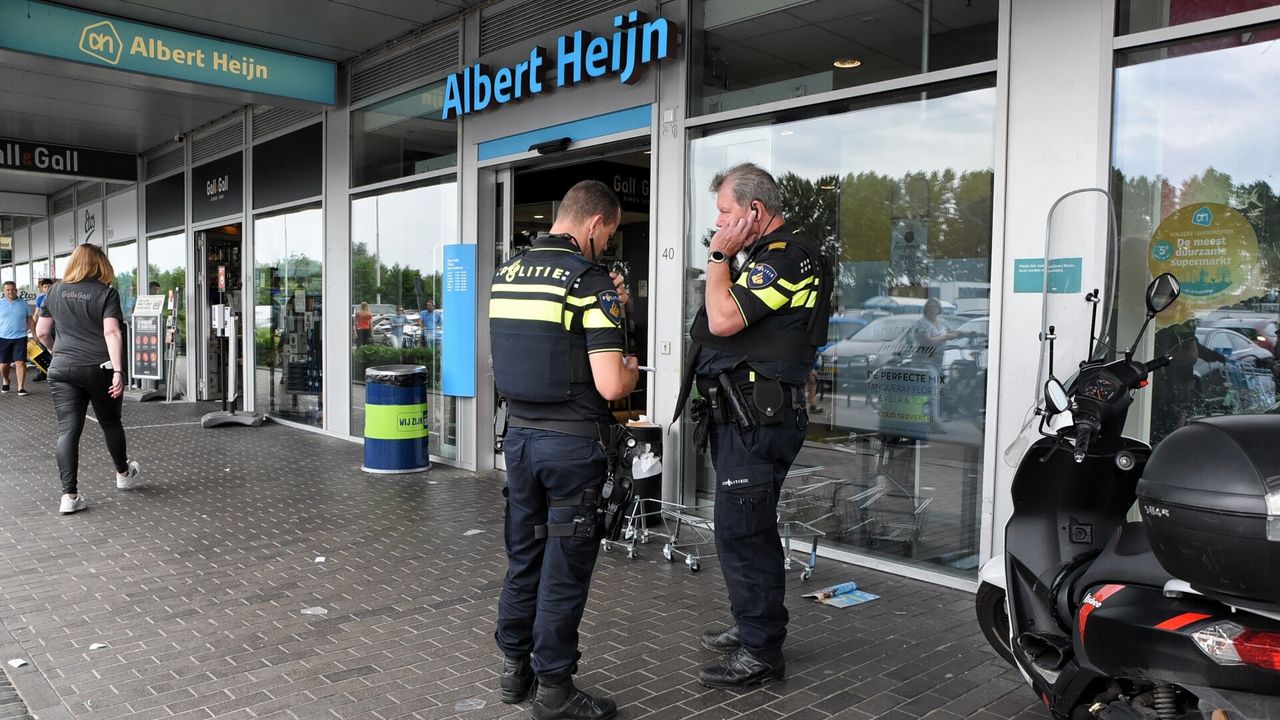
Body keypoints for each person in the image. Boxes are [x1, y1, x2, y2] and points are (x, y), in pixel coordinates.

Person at [676, 163, 830, 688]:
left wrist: (719, 256)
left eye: (724, 212)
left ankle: (762, 650)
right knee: (746, 530)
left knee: (743, 532)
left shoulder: (787, 257)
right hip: (743, 418)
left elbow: (722, 320)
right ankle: (753, 627)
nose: (718, 224)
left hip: (758, 421)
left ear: (755, 211)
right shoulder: (763, 258)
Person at [489, 180, 638, 720]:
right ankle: (554, 689)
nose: (609, 246)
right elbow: (611, 385)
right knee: (563, 567)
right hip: (573, 450)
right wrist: (629, 361)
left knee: (523, 556)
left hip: (521, 445)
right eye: (612, 234)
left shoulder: (507, 274)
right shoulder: (589, 281)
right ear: (595, 224)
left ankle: (514, 669)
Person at [36, 244, 140, 514]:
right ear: (100, 264)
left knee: (68, 430)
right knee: (109, 422)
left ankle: (69, 496)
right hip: (98, 367)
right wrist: (118, 370)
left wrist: (55, 352)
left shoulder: (54, 291)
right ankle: (122, 474)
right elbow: (112, 332)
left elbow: (42, 331)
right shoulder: (106, 294)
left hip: (61, 368)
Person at [0, 281, 33, 395]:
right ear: (4, 291)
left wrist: (35, 334)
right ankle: (6, 380)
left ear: (16, 290)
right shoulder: (0, 303)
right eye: (8, 290)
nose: (11, 292)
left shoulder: (23, 304)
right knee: (4, 363)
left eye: (13, 289)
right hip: (3, 337)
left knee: (20, 362)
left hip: (20, 336)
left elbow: (30, 320)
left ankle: (21, 387)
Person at [31, 278, 55, 381]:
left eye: (49, 286)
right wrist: (32, 327)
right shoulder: (40, 299)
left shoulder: (57, 297)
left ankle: (54, 372)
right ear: (42, 289)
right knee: (42, 351)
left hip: (56, 328)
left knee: (55, 350)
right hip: (43, 328)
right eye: (45, 287)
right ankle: (41, 372)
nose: (47, 288)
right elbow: (36, 314)